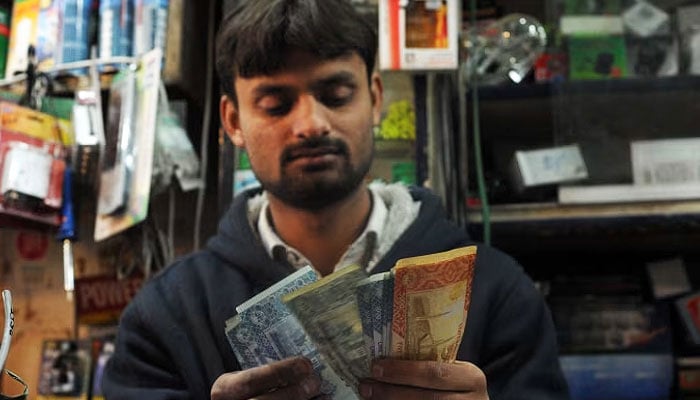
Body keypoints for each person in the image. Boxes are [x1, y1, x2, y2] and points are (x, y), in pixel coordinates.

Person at [102, 0, 570, 399]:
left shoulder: (498, 291)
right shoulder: (164, 317)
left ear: (375, 97)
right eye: (275, 104)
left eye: (337, 94)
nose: (311, 123)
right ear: (233, 122)